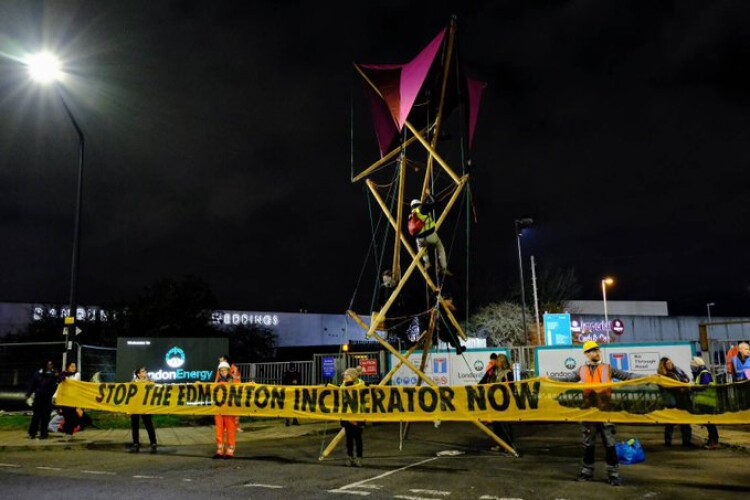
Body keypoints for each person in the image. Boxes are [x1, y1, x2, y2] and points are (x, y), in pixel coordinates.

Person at [550, 341, 643, 487]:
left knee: (610, 445)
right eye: (592, 351)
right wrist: (549, 379)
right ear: (586, 354)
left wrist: (649, 377)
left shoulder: (608, 368)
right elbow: (567, 379)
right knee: (588, 445)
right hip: (589, 413)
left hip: (605, 412)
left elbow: (627, 376)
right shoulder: (581, 369)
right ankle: (587, 472)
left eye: (597, 350)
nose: (596, 352)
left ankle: (613, 475)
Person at [409, 192, 451, 276]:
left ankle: (427, 263)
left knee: (422, 249)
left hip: (419, 239)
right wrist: (429, 194)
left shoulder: (411, 215)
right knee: (440, 248)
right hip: (431, 236)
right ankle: (443, 268)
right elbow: (436, 202)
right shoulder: (422, 208)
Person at [657, 356, 693, 447]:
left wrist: (684, 382)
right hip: (673, 400)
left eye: (670, 362)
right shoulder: (664, 376)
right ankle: (668, 441)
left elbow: (686, 379)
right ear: (663, 365)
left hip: (683, 399)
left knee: (685, 421)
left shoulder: (678, 371)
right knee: (670, 422)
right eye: (667, 363)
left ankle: (686, 441)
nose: (670, 364)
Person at [482, 353, 515, 450]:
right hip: (494, 401)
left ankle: (508, 444)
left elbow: (511, 387)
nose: (496, 362)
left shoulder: (508, 373)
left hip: (504, 402)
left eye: (498, 361)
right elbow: (485, 380)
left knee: (505, 424)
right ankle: (499, 444)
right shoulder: (493, 371)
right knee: (496, 424)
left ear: (502, 362)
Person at [689, 356, 720, 449]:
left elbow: (706, 387)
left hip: (707, 402)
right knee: (708, 423)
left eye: (693, 367)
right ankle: (712, 440)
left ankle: (714, 441)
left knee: (710, 423)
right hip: (705, 402)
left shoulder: (704, 374)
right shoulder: (702, 374)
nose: (692, 369)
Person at [25, 360, 58, 440]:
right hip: (39, 397)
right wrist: (28, 394)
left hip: (48, 398)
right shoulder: (38, 374)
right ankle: (32, 432)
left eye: (51, 364)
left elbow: (55, 386)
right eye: (49, 364)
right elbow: (32, 384)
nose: (51, 366)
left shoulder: (53, 375)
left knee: (45, 416)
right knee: (36, 416)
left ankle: (44, 433)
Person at [214, 361, 239, 459]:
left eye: (224, 370)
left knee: (230, 429)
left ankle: (230, 450)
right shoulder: (217, 382)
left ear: (228, 370)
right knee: (219, 429)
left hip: (229, 409)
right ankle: (220, 449)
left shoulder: (234, 380)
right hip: (219, 408)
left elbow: (242, 389)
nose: (222, 372)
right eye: (221, 370)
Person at [341, 367, 365, 467]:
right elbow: (340, 394)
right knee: (349, 439)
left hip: (358, 415)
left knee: (358, 438)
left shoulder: (361, 384)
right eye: (345, 375)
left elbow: (362, 390)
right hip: (347, 415)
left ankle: (359, 458)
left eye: (347, 375)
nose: (345, 377)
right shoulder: (343, 385)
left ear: (352, 376)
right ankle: (349, 457)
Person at [129, 366, 158, 454]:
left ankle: (153, 443)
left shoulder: (150, 382)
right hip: (135, 407)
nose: (145, 372)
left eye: (145, 371)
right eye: (143, 371)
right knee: (135, 426)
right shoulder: (133, 383)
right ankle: (135, 444)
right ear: (138, 374)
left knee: (149, 425)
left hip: (146, 407)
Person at [215, 354, 242, 431]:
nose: (220, 362)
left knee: (236, 409)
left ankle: (236, 426)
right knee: (225, 409)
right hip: (224, 392)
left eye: (221, 360)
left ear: (226, 361)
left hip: (235, 391)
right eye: (219, 361)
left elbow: (238, 378)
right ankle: (225, 426)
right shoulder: (220, 370)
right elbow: (216, 381)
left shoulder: (234, 368)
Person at [58, 361, 81, 442]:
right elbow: (60, 385)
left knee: (71, 416)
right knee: (66, 416)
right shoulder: (63, 375)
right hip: (65, 399)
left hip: (72, 399)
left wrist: (64, 378)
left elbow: (73, 382)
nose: (74, 368)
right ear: (67, 367)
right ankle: (67, 432)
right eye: (72, 366)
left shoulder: (77, 374)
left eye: (74, 366)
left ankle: (70, 433)